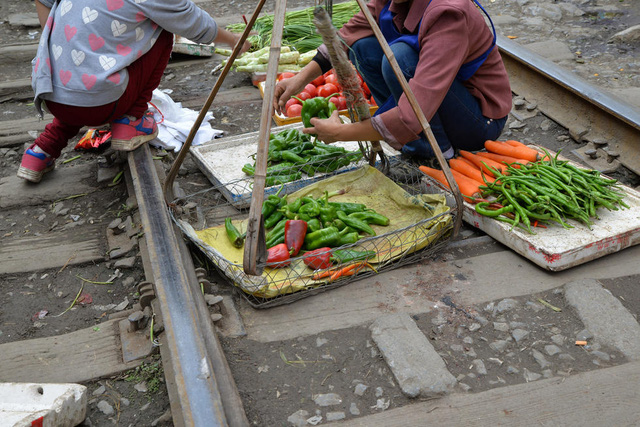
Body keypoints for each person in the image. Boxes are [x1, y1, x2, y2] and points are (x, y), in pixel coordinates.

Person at [19, 0, 250, 183]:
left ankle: (40, 152)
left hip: (52, 93)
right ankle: (132, 120)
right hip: (99, 103)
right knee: (163, 31)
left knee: (83, 84)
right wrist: (232, 40)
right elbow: (190, 20)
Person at [274, 0, 512, 163]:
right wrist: (299, 80)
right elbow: (346, 36)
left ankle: (440, 154)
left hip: (479, 120)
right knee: (363, 48)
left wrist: (342, 133)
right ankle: (419, 146)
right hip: (437, 100)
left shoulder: (449, 13)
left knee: (399, 58)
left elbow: (413, 112)